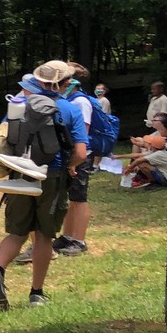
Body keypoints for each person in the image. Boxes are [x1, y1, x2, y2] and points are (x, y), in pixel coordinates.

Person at [0, 60, 87, 311]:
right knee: (43, 236)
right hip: (51, 177)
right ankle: (36, 293)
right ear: (65, 83)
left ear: (39, 80)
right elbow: (81, 153)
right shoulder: (69, 109)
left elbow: (2, 139)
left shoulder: (18, 104)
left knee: (16, 233)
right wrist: (70, 166)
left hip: (19, 174)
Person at [54, 67, 96, 257]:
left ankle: (79, 240)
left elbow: (83, 134)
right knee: (70, 198)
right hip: (70, 156)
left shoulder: (81, 102)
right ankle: (67, 236)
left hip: (80, 157)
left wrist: (75, 161)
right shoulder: (71, 100)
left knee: (79, 199)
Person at [122, 113, 167, 188]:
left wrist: (129, 167)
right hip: (162, 165)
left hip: (166, 176)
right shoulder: (163, 140)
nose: (152, 121)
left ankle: (154, 181)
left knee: (142, 163)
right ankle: (145, 178)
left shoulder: (166, 145)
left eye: (155, 120)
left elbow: (140, 158)